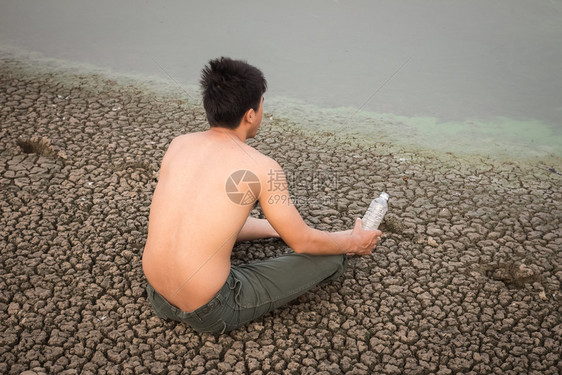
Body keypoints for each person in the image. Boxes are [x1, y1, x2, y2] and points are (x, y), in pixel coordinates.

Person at [142, 57, 382, 333]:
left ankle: (275, 229)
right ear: (250, 114)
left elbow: (203, 220)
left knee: (213, 223)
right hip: (211, 309)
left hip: (159, 297)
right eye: (262, 103)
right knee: (332, 256)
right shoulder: (263, 167)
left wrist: (274, 229)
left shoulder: (179, 145)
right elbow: (302, 243)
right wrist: (352, 243)